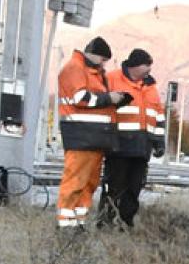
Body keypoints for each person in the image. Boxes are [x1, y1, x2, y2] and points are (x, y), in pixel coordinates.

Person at [54, 37, 127, 230]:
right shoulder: (74, 69)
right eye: (103, 60)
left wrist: (112, 99)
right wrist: (108, 98)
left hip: (93, 137)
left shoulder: (92, 72)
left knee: (88, 183)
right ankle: (66, 224)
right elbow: (81, 98)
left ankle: (78, 222)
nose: (104, 64)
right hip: (81, 136)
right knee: (75, 180)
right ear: (93, 54)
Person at [95, 48, 164, 229]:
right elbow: (100, 107)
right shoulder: (112, 79)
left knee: (134, 188)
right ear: (134, 65)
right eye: (146, 65)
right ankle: (105, 221)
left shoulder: (151, 87)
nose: (149, 69)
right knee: (114, 186)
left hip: (142, 149)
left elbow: (159, 116)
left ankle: (126, 224)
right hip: (119, 147)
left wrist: (159, 141)